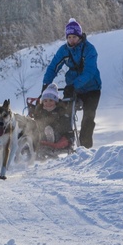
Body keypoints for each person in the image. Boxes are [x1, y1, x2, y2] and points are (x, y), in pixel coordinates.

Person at [42, 18, 101, 148]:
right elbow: (53, 67)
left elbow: (90, 72)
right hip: (74, 87)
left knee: (88, 118)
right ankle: (65, 140)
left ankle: (85, 147)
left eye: (74, 37)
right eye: (69, 37)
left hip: (92, 88)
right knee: (65, 113)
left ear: (79, 36)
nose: (71, 40)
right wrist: (46, 84)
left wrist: (74, 85)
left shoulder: (89, 49)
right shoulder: (64, 50)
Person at [30, 83, 74, 154]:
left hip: (59, 134)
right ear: (42, 102)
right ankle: (40, 143)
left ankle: (50, 143)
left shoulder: (60, 110)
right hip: (43, 133)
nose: (48, 103)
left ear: (56, 101)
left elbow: (65, 126)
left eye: (51, 100)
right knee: (37, 131)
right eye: (45, 101)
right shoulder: (41, 111)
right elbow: (37, 122)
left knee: (49, 130)